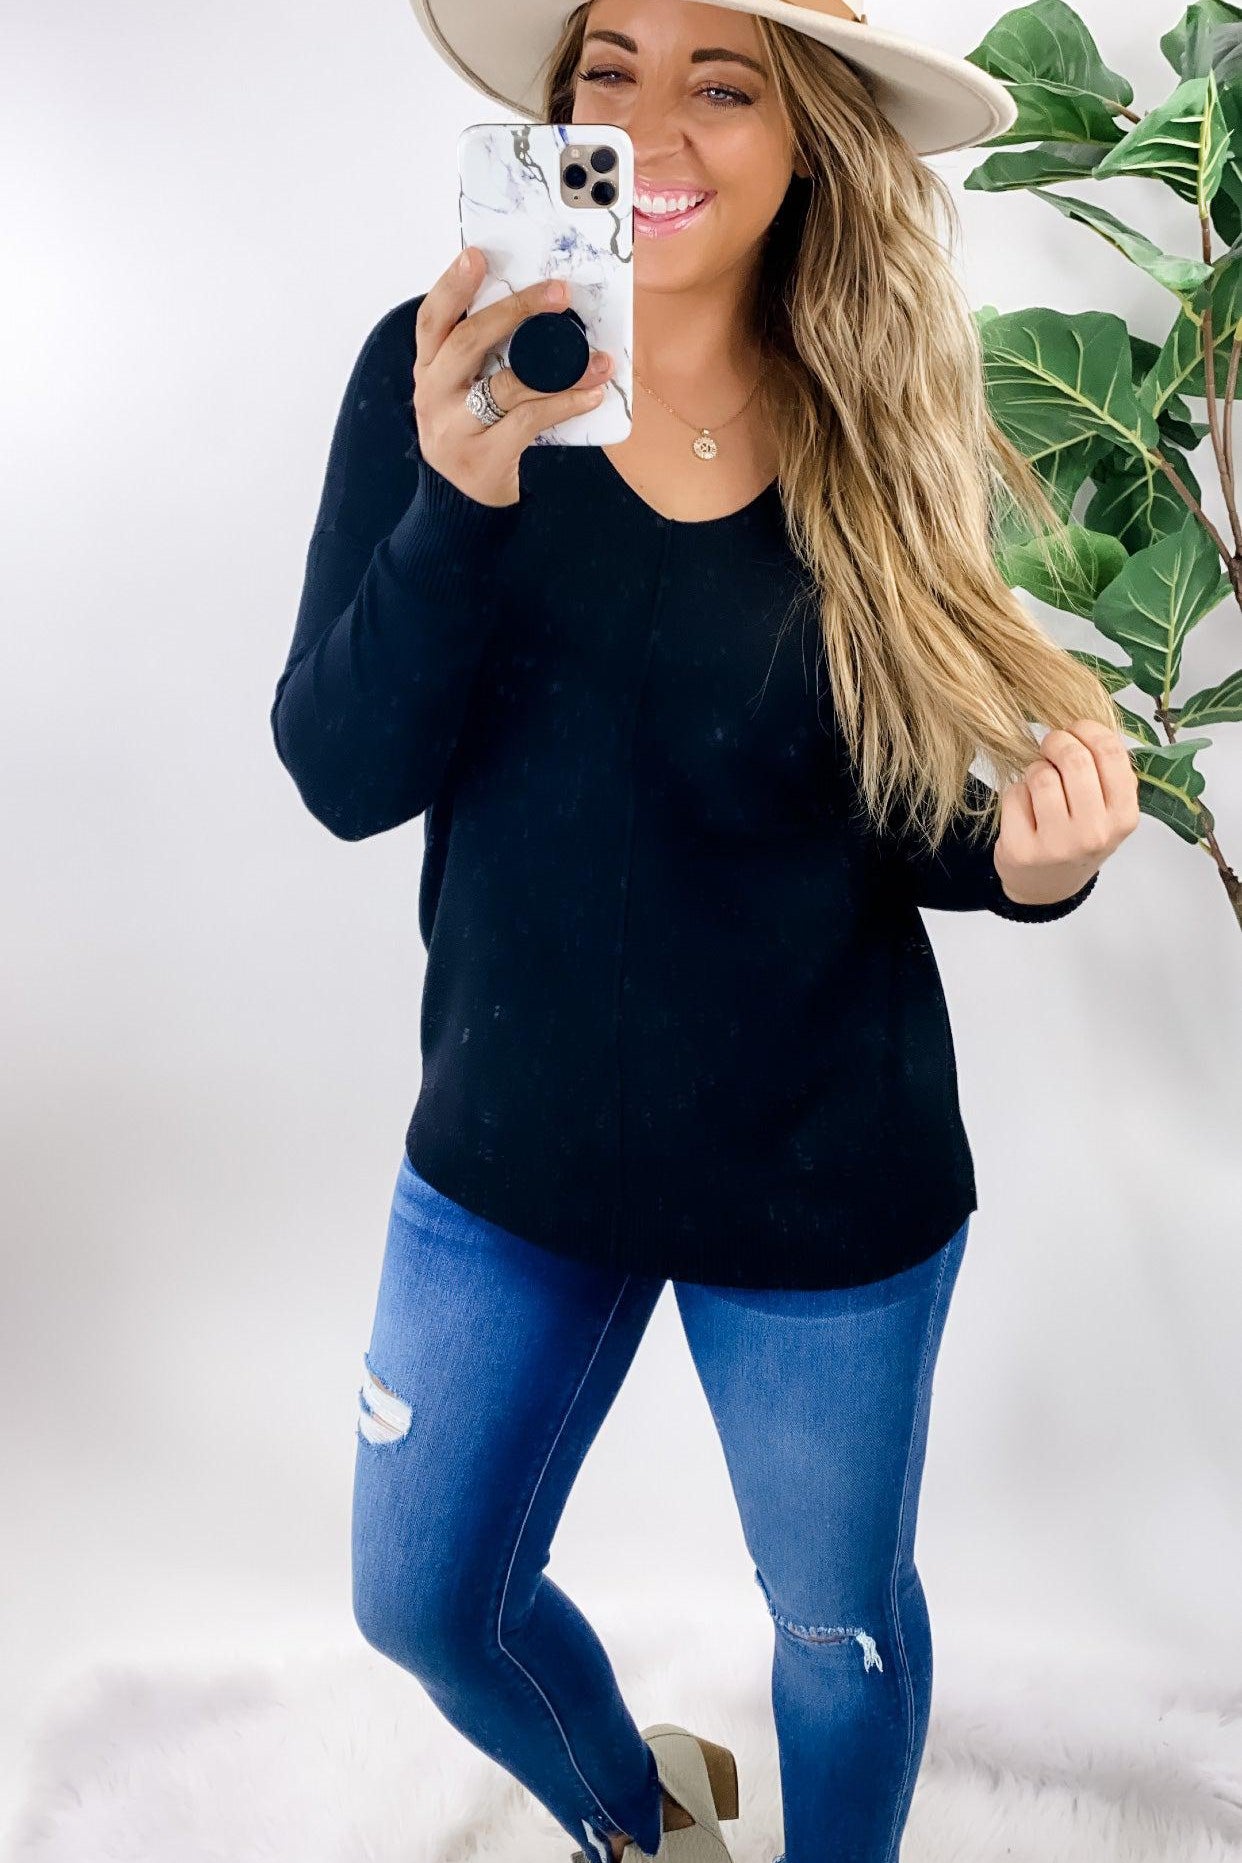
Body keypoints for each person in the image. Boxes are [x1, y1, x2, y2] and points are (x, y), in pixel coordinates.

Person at [269, 2, 1141, 1858]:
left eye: (721, 81)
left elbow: (891, 807)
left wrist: (1032, 863)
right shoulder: (438, 377)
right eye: (612, 69)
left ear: (808, 134)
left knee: (836, 1632)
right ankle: (641, 1826)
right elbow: (342, 775)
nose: (651, 125)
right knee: (426, 1605)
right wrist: (459, 498)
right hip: (505, 1159)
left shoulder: (877, 424)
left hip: (821, 1183)